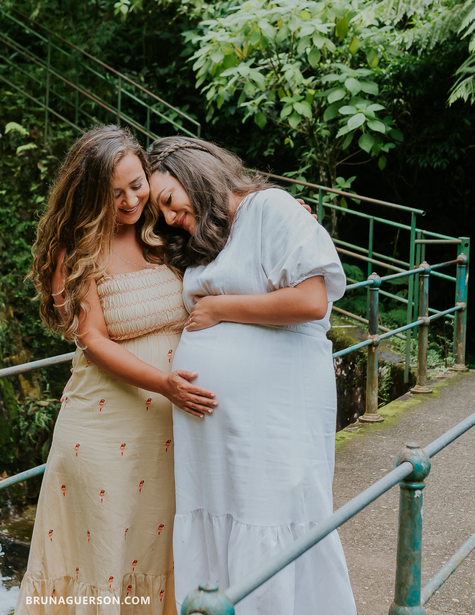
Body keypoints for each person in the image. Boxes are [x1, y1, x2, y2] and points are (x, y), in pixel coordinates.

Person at [145, 137, 357, 615]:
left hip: (275, 413)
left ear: (194, 174)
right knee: (231, 521)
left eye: (169, 202)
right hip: (216, 434)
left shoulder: (270, 209)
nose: (169, 218)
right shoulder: (207, 238)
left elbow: (310, 301)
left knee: (275, 515)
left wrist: (221, 308)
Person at [18, 126, 217, 615]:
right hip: (103, 433)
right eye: (115, 194)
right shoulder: (79, 253)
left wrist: (285, 213)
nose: (131, 200)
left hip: (166, 435)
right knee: (102, 557)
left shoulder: (163, 233)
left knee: (153, 550)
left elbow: (231, 232)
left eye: (137, 185)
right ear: (90, 195)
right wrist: (165, 385)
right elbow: (94, 341)